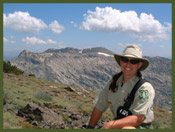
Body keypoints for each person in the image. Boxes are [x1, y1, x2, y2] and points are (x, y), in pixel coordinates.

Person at [86, 44, 155, 129]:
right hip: (119, 124)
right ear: (121, 62)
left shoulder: (144, 88)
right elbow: (100, 106)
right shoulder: (114, 82)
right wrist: (90, 127)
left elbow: (139, 119)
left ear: (139, 65)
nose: (128, 65)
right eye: (125, 60)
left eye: (133, 61)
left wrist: (109, 125)